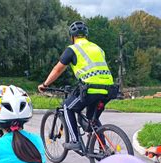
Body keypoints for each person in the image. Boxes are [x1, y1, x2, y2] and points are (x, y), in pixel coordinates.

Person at [38, 21, 115, 151]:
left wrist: (45, 84)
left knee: (67, 107)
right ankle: (104, 148)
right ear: (86, 35)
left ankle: (75, 141)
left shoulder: (73, 49)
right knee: (92, 119)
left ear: (72, 36)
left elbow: (58, 69)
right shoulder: (98, 48)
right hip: (109, 89)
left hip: (90, 88)